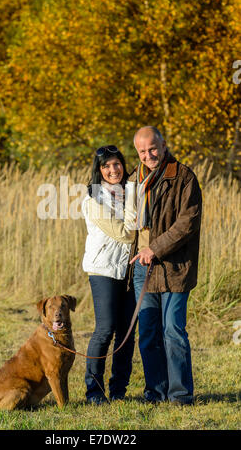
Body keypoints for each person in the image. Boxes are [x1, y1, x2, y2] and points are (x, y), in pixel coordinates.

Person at [129, 126, 202, 405]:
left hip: (174, 268)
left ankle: (181, 395)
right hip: (141, 269)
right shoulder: (134, 179)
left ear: (163, 144)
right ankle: (155, 392)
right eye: (142, 151)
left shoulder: (184, 177)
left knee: (173, 330)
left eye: (152, 148)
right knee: (147, 333)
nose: (148, 155)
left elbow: (187, 224)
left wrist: (154, 249)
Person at [81, 145, 138, 405]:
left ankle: (118, 390)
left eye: (116, 164)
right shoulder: (93, 199)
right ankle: (94, 391)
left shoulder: (130, 192)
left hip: (128, 270)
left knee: (126, 332)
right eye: (106, 166)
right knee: (105, 330)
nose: (113, 170)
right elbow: (126, 233)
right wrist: (134, 195)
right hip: (103, 269)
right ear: (99, 170)